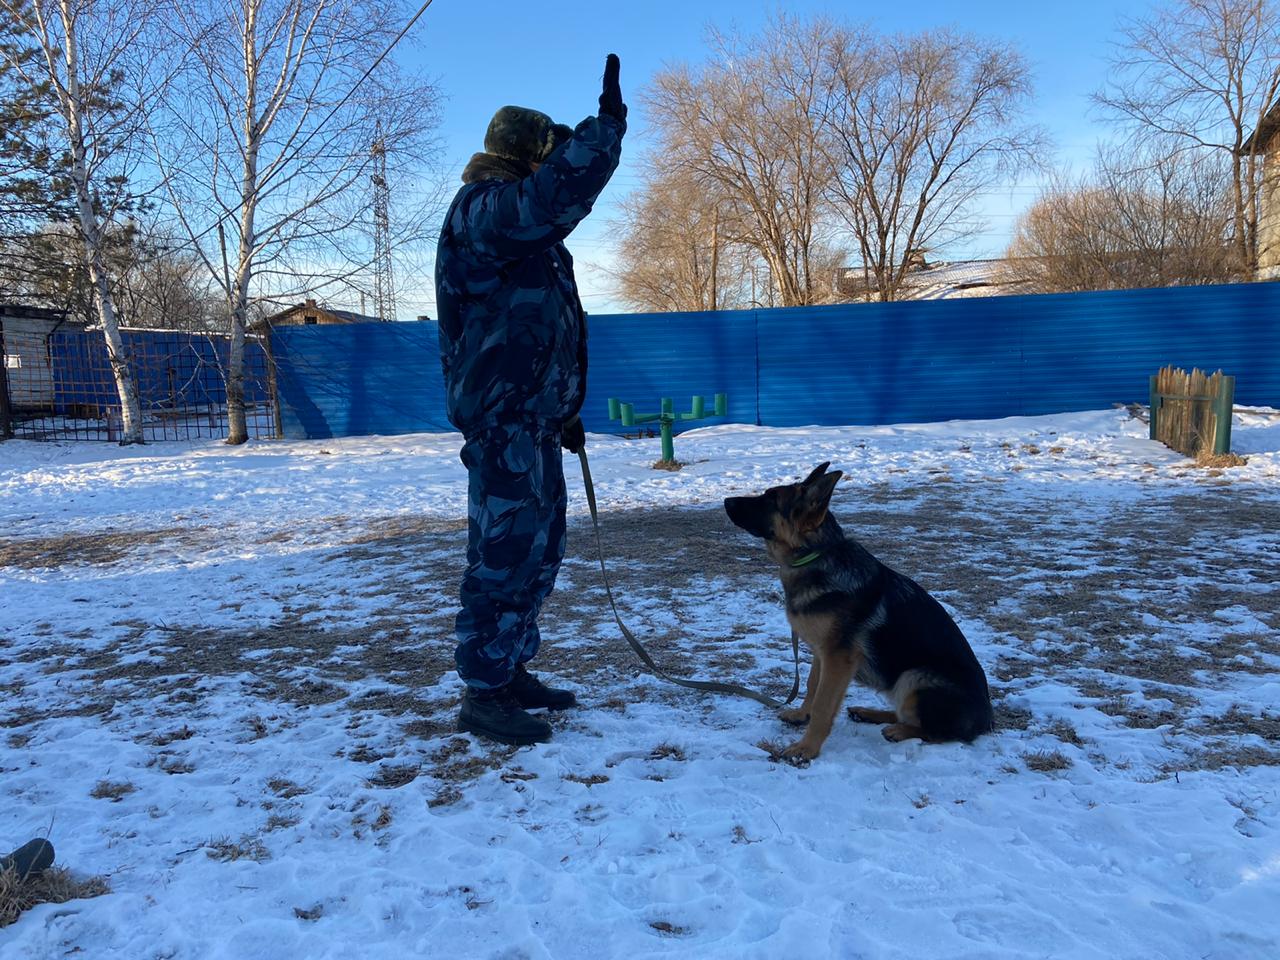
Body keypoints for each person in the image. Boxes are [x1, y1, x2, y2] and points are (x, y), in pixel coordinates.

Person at [435, 54, 627, 745]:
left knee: (538, 554)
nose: (550, 168)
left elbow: (541, 328)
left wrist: (564, 408)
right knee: (504, 557)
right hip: (502, 426)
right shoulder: (485, 215)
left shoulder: (522, 236)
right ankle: (483, 694)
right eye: (544, 155)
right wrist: (601, 135)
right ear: (522, 158)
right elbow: (550, 198)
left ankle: (509, 671)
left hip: (534, 423)